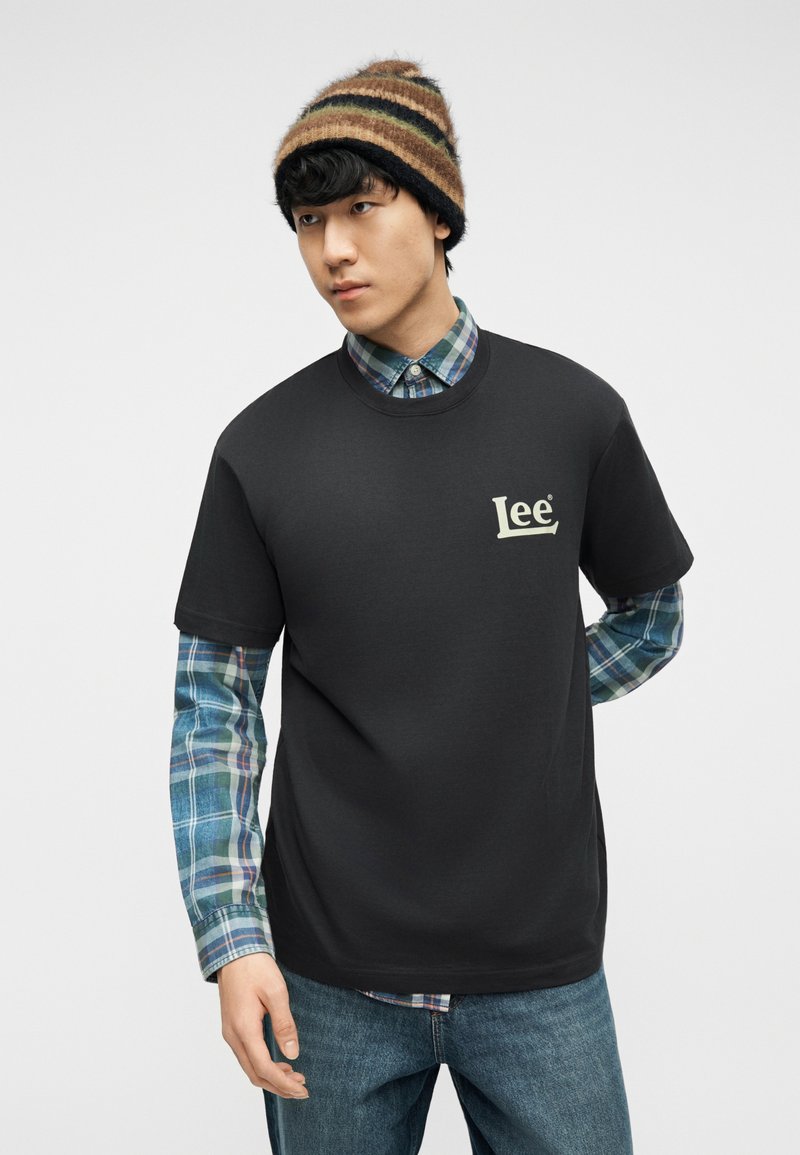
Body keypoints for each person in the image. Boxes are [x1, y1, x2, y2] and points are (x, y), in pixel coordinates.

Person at [170, 57, 694, 1154]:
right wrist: (233, 941)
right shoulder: (260, 448)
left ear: (440, 212)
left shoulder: (572, 413)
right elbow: (214, 712)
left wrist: (530, 682)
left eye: (363, 208)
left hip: (540, 972)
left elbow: (652, 613)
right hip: (328, 980)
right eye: (308, 222)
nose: (333, 250)